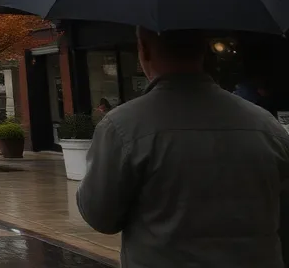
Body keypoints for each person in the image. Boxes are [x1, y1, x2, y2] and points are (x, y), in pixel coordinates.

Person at [77, 27, 289, 268]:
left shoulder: (122, 127)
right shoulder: (266, 125)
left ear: (143, 49)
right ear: (203, 49)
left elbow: (101, 216)